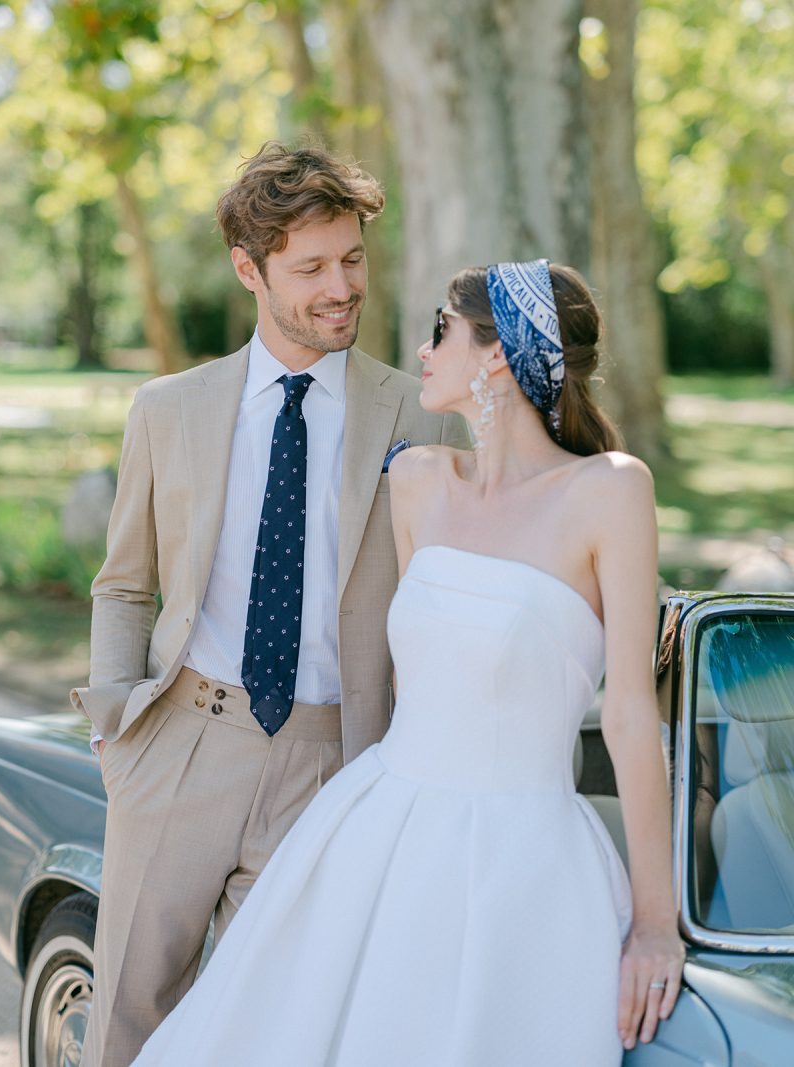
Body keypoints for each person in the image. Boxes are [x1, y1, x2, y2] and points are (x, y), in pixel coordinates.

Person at [131, 259, 684, 1066]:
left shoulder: (611, 491)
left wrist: (656, 922)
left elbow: (632, 715)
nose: (423, 351)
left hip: (523, 859)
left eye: (441, 332)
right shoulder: (418, 479)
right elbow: (399, 677)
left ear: (498, 357)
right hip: (374, 830)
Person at [70, 141, 468, 1067]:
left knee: (278, 1037)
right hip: (180, 746)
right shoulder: (168, 408)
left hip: (331, 765)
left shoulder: (419, 413)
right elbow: (123, 582)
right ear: (249, 270)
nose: (343, 288)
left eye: (353, 260)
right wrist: (117, 732)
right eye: (312, 268)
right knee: (127, 1021)